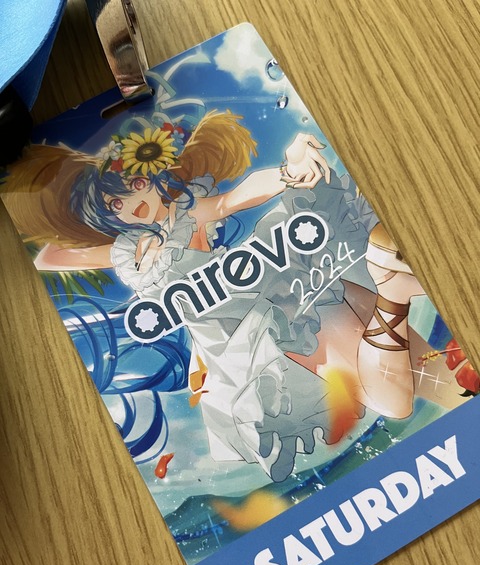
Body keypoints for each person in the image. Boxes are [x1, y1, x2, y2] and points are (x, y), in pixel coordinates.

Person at [3, 110, 425, 481]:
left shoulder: (186, 213)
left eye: (135, 185)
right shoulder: (126, 252)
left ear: (154, 178)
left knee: (395, 397)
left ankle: (393, 292)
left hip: (259, 315)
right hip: (223, 347)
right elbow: (49, 257)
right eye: (114, 205)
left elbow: (233, 199)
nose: (129, 206)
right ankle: (392, 291)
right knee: (398, 387)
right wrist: (76, 185)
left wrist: (288, 172)